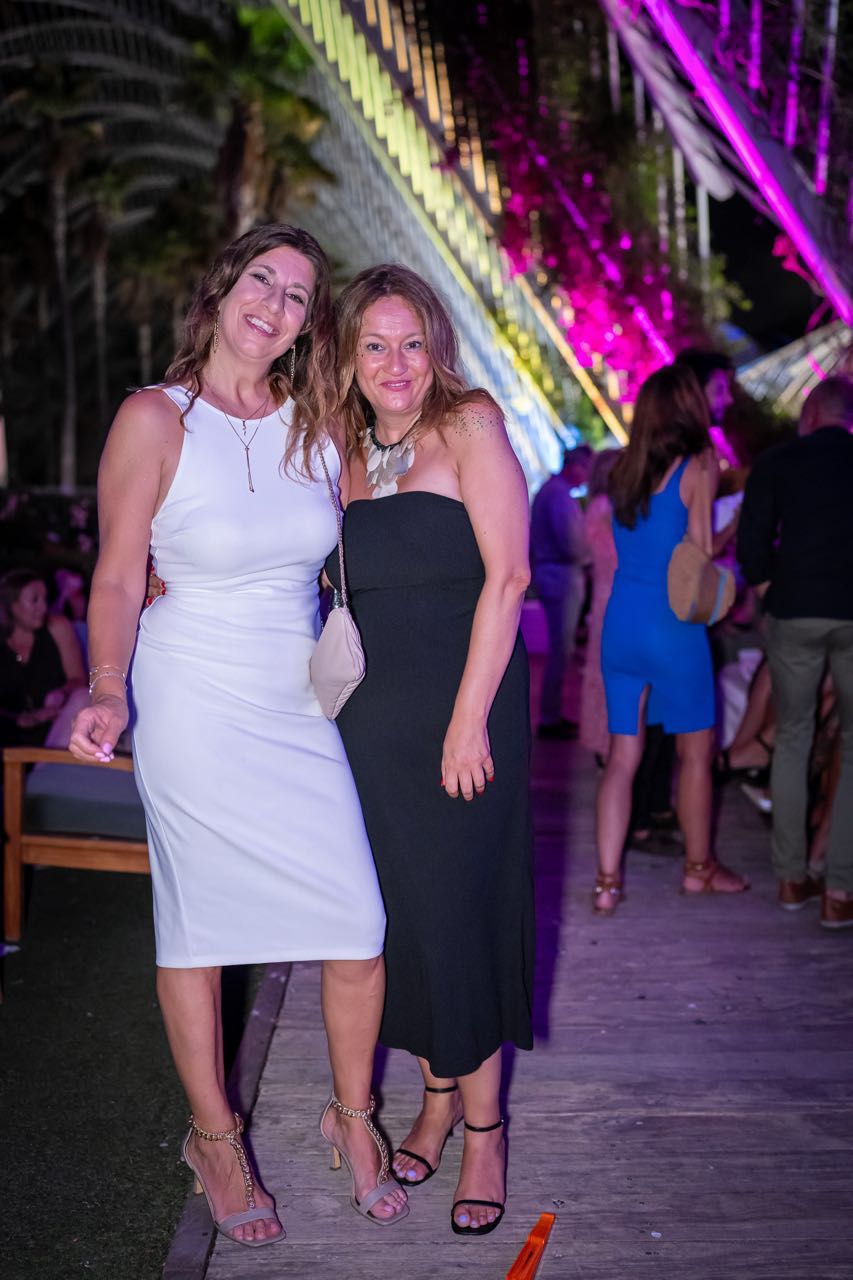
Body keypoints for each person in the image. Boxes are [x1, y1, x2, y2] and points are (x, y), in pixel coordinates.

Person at [69, 224, 408, 1248]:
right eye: (262, 279)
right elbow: (118, 575)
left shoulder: (319, 422)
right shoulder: (153, 417)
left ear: (309, 325)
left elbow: (385, 504)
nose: (276, 303)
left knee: (357, 922)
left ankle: (351, 1116)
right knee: (200, 927)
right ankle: (214, 1138)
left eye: (299, 295)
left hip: (295, 701)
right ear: (221, 289)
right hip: (189, 696)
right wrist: (106, 688)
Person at [327, 263, 534, 1236]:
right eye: (374, 344)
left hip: (465, 719)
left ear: (436, 345)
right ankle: (438, 1096)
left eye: (411, 342)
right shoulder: (339, 450)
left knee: (457, 918)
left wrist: (466, 719)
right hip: (371, 729)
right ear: (348, 356)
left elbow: (509, 577)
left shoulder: (469, 424)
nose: (395, 362)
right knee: (400, 921)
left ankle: (485, 1129)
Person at [595, 364, 749, 913]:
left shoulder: (623, 469)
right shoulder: (699, 462)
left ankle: (607, 884)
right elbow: (702, 550)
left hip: (621, 625)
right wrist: (736, 524)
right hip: (672, 627)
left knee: (622, 756)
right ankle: (698, 870)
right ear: (689, 408)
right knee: (695, 753)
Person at [737, 375, 853, 928]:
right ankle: (840, 891)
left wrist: (767, 590)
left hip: (796, 609)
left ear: (810, 415)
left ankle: (790, 878)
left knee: (793, 739)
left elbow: (752, 539)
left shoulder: (780, 461)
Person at [529, 443, 592, 738]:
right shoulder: (559, 495)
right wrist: (591, 555)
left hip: (553, 573)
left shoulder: (552, 491)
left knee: (561, 647)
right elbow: (571, 543)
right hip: (560, 575)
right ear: (576, 466)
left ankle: (551, 713)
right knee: (561, 648)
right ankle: (550, 716)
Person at [0, 568, 86, 749]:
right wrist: (24, 718)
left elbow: (79, 680)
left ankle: (46, 764)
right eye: (34, 600)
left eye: (44, 599)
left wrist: (63, 693)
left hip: (54, 729)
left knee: (83, 697)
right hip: (8, 732)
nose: (43, 607)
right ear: (11, 606)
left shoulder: (58, 627)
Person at [579, 448, 620, 762]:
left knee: (600, 671)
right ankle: (608, 742)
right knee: (608, 673)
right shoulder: (607, 508)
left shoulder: (596, 506)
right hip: (612, 597)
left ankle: (603, 742)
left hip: (603, 595)